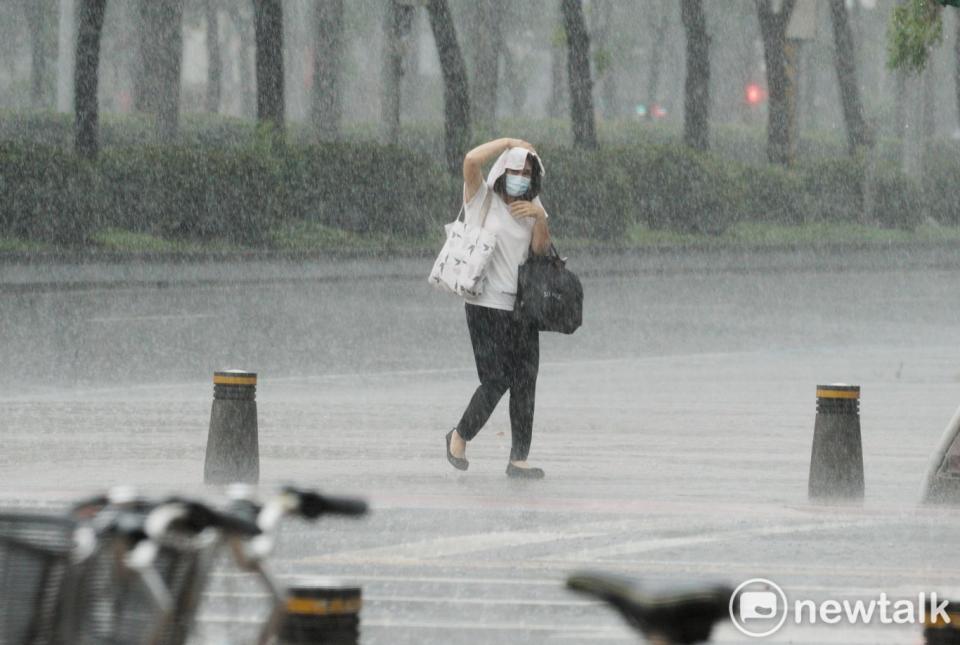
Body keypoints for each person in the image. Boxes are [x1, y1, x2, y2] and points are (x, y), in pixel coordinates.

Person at [444, 137, 551, 479]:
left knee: (525, 382)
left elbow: (539, 252)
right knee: (495, 379)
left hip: (521, 309)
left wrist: (539, 217)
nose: (521, 175)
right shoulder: (482, 198)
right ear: (504, 170)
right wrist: (507, 142)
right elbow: (471, 160)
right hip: (484, 306)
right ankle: (460, 436)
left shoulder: (532, 206)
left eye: (528, 171)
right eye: (516, 169)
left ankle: (518, 458)